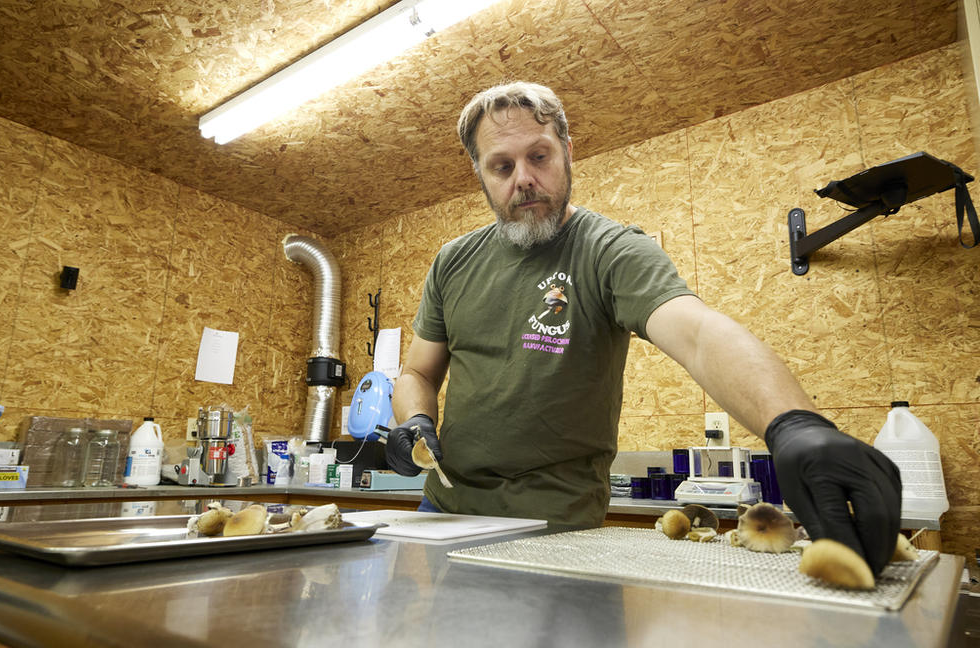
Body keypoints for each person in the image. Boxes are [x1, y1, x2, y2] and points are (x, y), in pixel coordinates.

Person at [385, 81, 901, 576]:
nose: (523, 178)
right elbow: (417, 373)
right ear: (481, 175)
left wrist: (795, 426)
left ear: (567, 151)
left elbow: (697, 334)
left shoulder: (610, 250)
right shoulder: (453, 263)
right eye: (502, 165)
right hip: (444, 509)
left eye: (538, 156)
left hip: (556, 524)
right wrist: (414, 423)